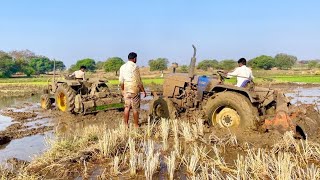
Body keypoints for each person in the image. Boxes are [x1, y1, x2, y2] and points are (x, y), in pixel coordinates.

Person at [119, 52, 146, 127]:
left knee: (127, 107)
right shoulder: (135, 66)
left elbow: (121, 81)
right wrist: (143, 91)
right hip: (134, 90)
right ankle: (136, 125)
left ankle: (125, 124)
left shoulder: (122, 67)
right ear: (134, 59)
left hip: (126, 90)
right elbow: (138, 81)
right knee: (135, 108)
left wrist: (122, 90)